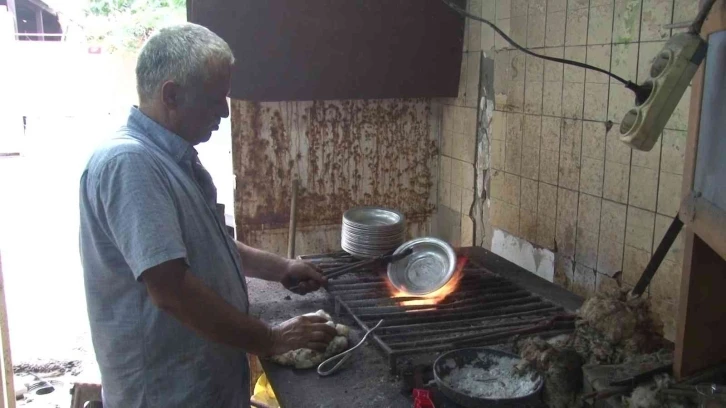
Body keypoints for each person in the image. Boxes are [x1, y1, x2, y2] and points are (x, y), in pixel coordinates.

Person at [79, 23, 337, 408]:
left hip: (199, 387)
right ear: (172, 95)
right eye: (216, 98)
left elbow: (208, 246)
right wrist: (272, 338)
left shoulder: (171, 159)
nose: (226, 112)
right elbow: (171, 289)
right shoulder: (130, 164)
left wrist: (280, 267)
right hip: (167, 395)